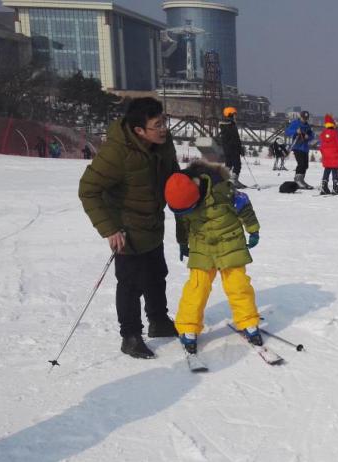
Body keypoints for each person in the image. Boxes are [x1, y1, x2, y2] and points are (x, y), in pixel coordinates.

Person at [78, 97, 179, 359]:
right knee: (131, 284)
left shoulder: (164, 144)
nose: (164, 128)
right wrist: (110, 229)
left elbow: (174, 175)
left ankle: (159, 321)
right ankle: (131, 336)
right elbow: (88, 190)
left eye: (164, 121)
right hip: (126, 230)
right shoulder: (116, 153)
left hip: (153, 223)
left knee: (157, 274)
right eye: (157, 125)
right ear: (139, 130)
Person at [164, 161, 263, 354]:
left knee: (238, 285)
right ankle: (188, 328)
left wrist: (253, 230)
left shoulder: (223, 190)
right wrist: (183, 242)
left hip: (230, 241)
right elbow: (182, 223)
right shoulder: (181, 197)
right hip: (202, 245)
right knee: (197, 287)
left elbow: (244, 206)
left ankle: (248, 322)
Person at [285, 110, 315, 189]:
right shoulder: (295, 123)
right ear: (300, 117)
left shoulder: (307, 126)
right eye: (303, 118)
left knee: (305, 165)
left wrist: (308, 137)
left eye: (306, 118)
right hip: (297, 147)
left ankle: (301, 180)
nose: (304, 120)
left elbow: (311, 135)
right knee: (301, 164)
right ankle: (297, 180)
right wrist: (296, 131)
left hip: (305, 148)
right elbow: (287, 132)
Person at [219, 107, 246, 188]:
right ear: (230, 114)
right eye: (234, 114)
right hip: (233, 148)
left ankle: (222, 179)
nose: (235, 116)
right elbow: (235, 138)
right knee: (237, 164)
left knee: (229, 164)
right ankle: (234, 180)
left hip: (226, 148)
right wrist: (240, 149)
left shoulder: (223, 124)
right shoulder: (231, 125)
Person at [318, 114, 338, 194]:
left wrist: (323, 154)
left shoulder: (323, 134)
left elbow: (321, 147)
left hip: (326, 156)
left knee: (327, 170)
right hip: (335, 155)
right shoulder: (335, 133)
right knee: (334, 171)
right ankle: (335, 187)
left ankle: (324, 186)